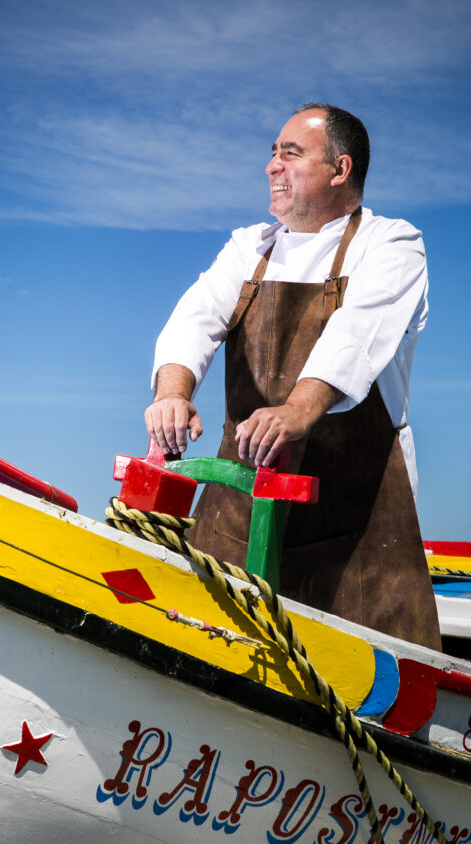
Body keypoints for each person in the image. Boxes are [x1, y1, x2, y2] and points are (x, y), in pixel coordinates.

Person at [145, 103, 441, 649]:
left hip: (357, 520)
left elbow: (358, 333)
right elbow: (194, 318)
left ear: (340, 169)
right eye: (271, 154)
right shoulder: (249, 247)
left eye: (290, 152)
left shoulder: (394, 244)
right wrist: (172, 393)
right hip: (239, 510)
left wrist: (297, 410)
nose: (271, 167)